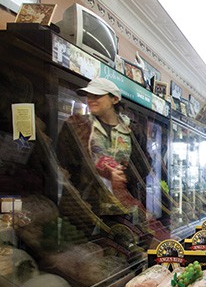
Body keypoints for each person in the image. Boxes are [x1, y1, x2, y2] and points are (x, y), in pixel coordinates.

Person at [57, 78, 151, 233]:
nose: (91, 100)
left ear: (115, 99)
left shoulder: (133, 131)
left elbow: (144, 164)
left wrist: (125, 176)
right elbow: (64, 162)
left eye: (97, 96)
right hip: (86, 208)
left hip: (123, 209)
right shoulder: (77, 126)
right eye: (89, 96)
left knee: (119, 245)